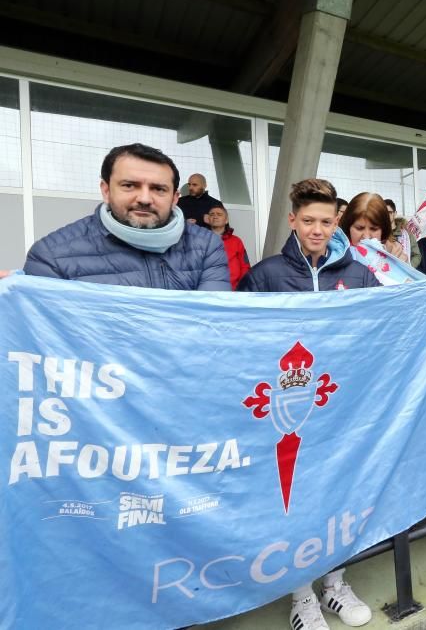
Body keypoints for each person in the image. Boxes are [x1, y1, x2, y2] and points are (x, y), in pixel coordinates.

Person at [238, 179, 374, 630]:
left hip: (341, 409)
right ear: (293, 220)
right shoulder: (265, 274)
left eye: (326, 221)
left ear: (338, 221)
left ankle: (335, 583)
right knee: (291, 501)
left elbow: (385, 324)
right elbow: (238, 340)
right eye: (309, 221)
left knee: (340, 493)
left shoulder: (357, 273)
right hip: (284, 415)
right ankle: (301, 595)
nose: (318, 229)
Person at [23, 143, 230, 290]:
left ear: (175, 198)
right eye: (129, 185)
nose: (145, 198)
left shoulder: (207, 246)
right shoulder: (51, 256)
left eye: (159, 189)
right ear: (106, 190)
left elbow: (212, 327)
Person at [206, 204, 251, 290]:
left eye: (219, 214)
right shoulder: (200, 240)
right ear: (208, 219)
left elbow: (245, 267)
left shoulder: (236, 241)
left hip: (232, 292)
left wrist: (241, 289)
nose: (215, 216)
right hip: (207, 291)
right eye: (212, 214)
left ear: (226, 220)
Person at [385, 198, 420, 266]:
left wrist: (409, 267)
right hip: (384, 273)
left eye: (389, 212)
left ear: (395, 213)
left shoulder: (406, 233)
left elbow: (416, 255)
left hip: (404, 274)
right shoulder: (378, 233)